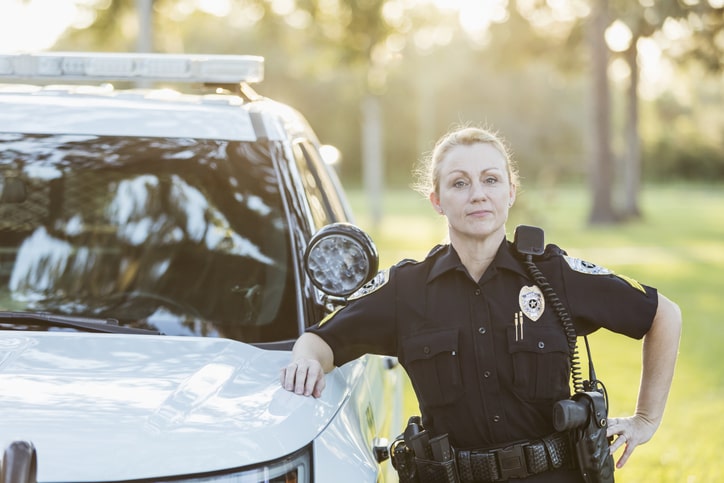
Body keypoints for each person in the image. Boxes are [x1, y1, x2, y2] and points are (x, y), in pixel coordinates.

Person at [280, 125, 682, 482]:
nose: (477, 195)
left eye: (490, 180)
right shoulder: (407, 289)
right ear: (437, 199)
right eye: (459, 183)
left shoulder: (555, 274)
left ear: (510, 192)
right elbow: (321, 340)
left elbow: (663, 314)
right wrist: (306, 360)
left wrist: (645, 420)